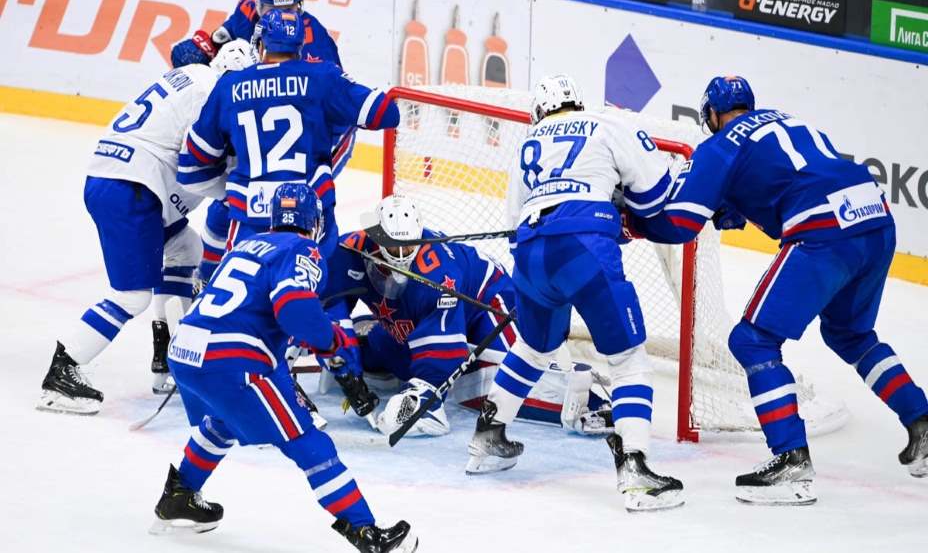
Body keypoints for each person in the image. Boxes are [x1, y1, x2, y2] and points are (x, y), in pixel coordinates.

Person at [629, 75, 928, 505]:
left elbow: (679, 223)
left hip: (825, 232)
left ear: (711, 114)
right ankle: (921, 422)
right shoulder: (789, 121)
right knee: (850, 334)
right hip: (876, 218)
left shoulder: (720, 145)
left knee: (752, 340)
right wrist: (736, 207)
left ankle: (791, 461)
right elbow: (784, 181)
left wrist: (630, 223)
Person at [150, 184, 417, 553]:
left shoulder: (245, 245)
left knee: (225, 419)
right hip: (232, 359)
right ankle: (364, 531)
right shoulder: (302, 249)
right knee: (307, 440)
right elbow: (294, 308)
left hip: (185, 352)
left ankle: (180, 494)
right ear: (314, 222)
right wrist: (332, 341)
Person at [465, 74, 685, 512]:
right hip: (584, 246)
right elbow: (655, 194)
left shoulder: (529, 141)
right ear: (577, 103)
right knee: (627, 358)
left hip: (531, 253)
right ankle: (636, 469)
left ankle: (487, 439)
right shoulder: (606, 122)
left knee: (533, 346)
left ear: (540, 112)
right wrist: (622, 213)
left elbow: (513, 226)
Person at [36, 41, 258, 414]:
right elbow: (195, 171)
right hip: (132, 189)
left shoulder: (193, 76)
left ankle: (168, 358)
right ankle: (63, 372)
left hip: (119, 178)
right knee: (132, 296)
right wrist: (237, 192)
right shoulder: (212, 96)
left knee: (185, 248)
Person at [320, 195, 605, 438]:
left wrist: (426, 394)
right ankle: (377, 340)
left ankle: (589, 401)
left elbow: (445, 354)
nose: (401, 252)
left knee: (507, 376)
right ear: (378, 235)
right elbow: (329, 302)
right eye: (393, 245)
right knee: (377, 352)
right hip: (410, 317)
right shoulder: (351, 248)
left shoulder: (439, 274)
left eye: (407, 245)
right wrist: (342, 352)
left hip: (487, 302)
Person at [177, 9, 398, 261]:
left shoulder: (229, 85)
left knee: (243, 278)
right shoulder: (323, 76)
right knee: (312, 281)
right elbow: (386, 113)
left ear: (261, 45)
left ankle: (207, 280)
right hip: (311, 215)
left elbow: (193, 162)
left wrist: (230, 187)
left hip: (251, 215)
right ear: (300, 45)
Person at [172, 0, 356, 286]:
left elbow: (338, 106)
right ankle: (209, 279)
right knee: (226, 208)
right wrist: (199, 50)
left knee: (300, 210)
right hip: (265, 131)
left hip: (317, 140)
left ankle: (304, 281)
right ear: (258, 4)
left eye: (290, 8)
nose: (282, 15)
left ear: (300, 5)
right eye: (273, 8)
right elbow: (219, 49)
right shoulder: (246, 12)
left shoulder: (315, 41)